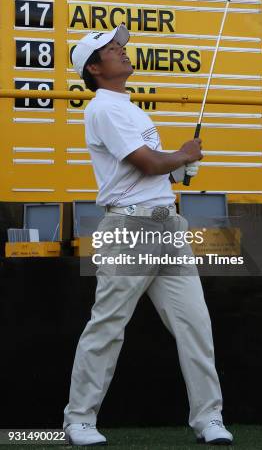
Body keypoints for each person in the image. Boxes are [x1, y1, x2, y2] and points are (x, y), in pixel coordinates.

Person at [63, 24, 233, 446]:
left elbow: (152, 168)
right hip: (129, 229)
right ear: (95, 68)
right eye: (111, 49)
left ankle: (209, 419)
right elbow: (145, 163)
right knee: (107, 326)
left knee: (196, 326)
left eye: (121, 45)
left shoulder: (130, 108)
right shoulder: (103, 108)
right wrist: (182, 155)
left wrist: (178, 166)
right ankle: (78, 420)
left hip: (166, 226)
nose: (121, 51)